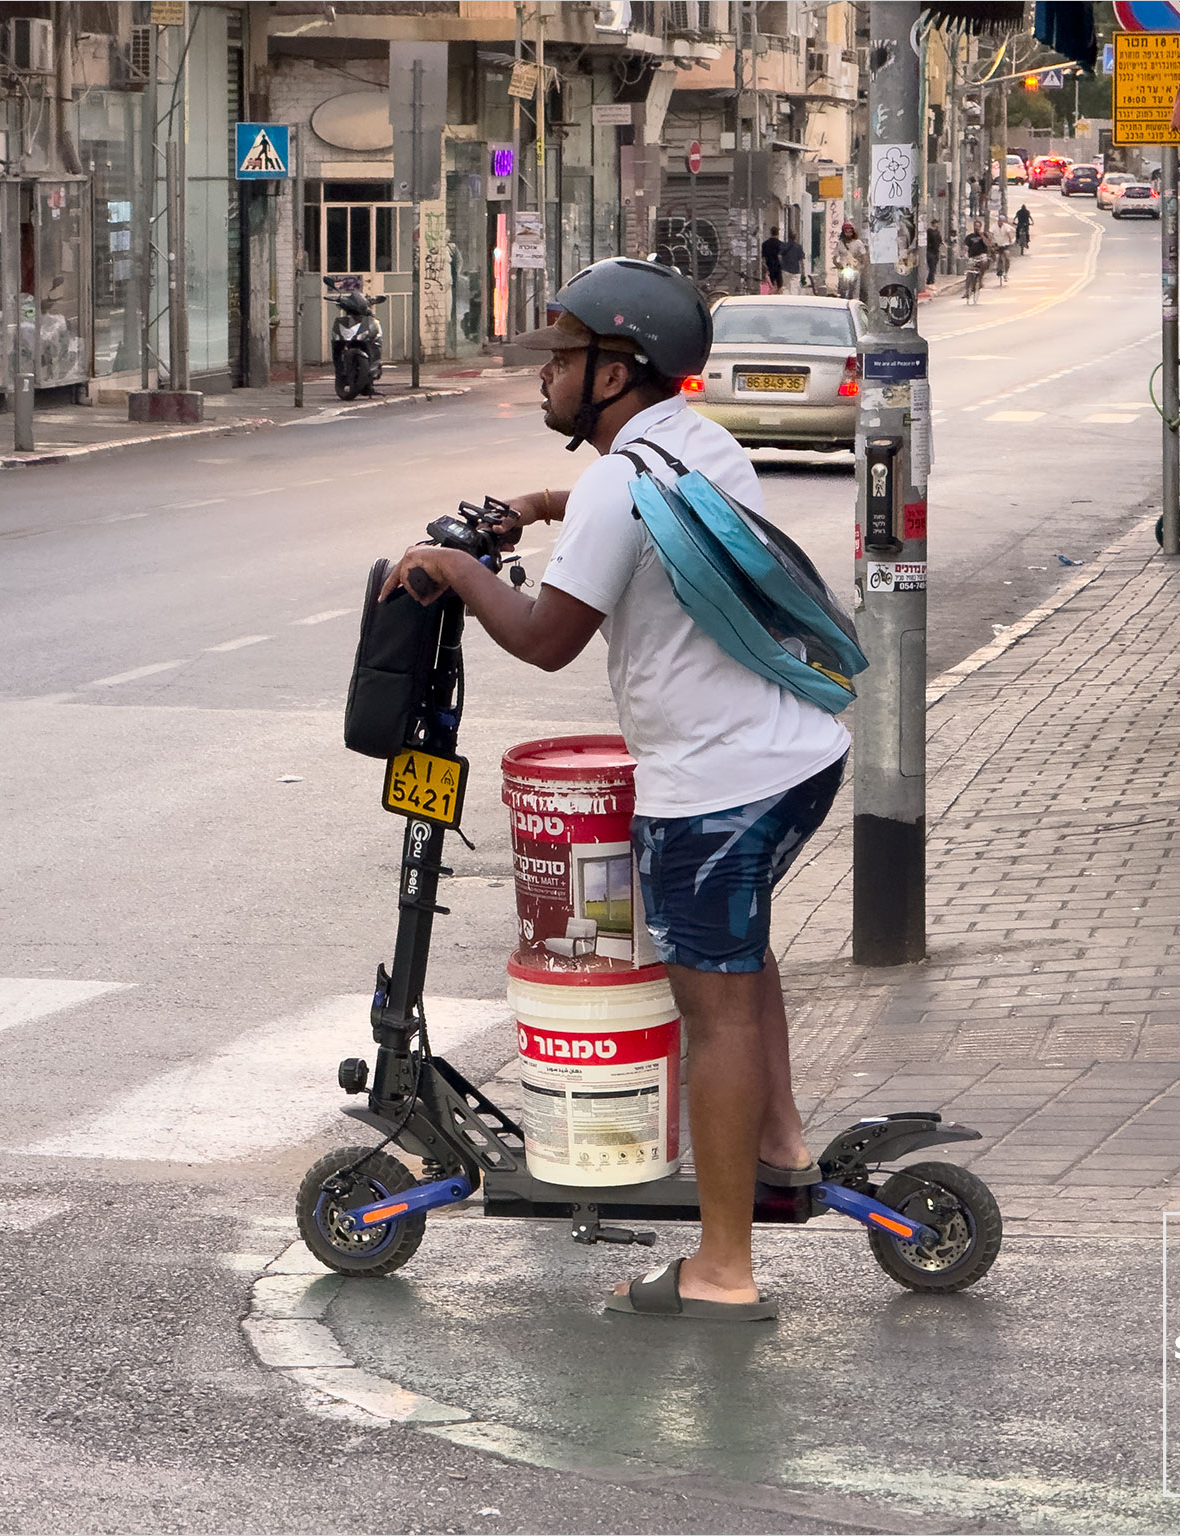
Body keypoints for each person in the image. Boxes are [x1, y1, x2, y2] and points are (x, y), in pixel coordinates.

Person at [381, 260, 849, 1321]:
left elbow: (547, 639)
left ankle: (721, 1271)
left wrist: (457, 571)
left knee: (712, 1007)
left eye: (561, 358)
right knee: (740, 956)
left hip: (715, 786)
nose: (545, 377)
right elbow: (646, 525)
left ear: (614, 369)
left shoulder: (615, 482)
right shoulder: (694, 443)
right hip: (794, 756)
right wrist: (550, 500)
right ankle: (778, 1144)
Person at [834, 222, 866, 298]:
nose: (848, 234)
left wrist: (861, 266)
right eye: (846, 232)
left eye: (850, 231)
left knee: (855, 289)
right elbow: (835, 258)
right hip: (844, 269)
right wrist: (838, 265)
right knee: (842, 289)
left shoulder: (858, 243)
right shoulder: (840, 244)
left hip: (854, 268)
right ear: (843, 232)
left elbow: (864, 255)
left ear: (853, 232)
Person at [778, 228, 806, 294]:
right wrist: (803, 272)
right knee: (794, 288)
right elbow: (801, 260)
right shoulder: (798, 247)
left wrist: (782, 265)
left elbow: (779, 256)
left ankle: (786, 300)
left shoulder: (784, 245)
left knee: (786, 287)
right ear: (796, 237)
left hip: (785, 270)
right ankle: (793, 300)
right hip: (795, 270)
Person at [761, 227, 784, 292]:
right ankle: (776, 293)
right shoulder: (781, 244)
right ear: (778, 233)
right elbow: (781, 257)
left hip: (769, 265)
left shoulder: (765, 244)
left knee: (770, 284)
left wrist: (764, 266)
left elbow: (763, 257)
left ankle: (772, 292)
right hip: (777, 266)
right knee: (779, 284)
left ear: (770, 233)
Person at [925, 221, 943, 287]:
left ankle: (931, 279)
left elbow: (940, 240)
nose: (937, 225)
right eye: (936, 223)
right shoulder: (929, 232)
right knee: (931, 266)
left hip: (936, 251)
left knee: (934, 266)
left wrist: (943, 244)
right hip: (930, 251)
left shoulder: (937, 232)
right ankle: (930, 280)